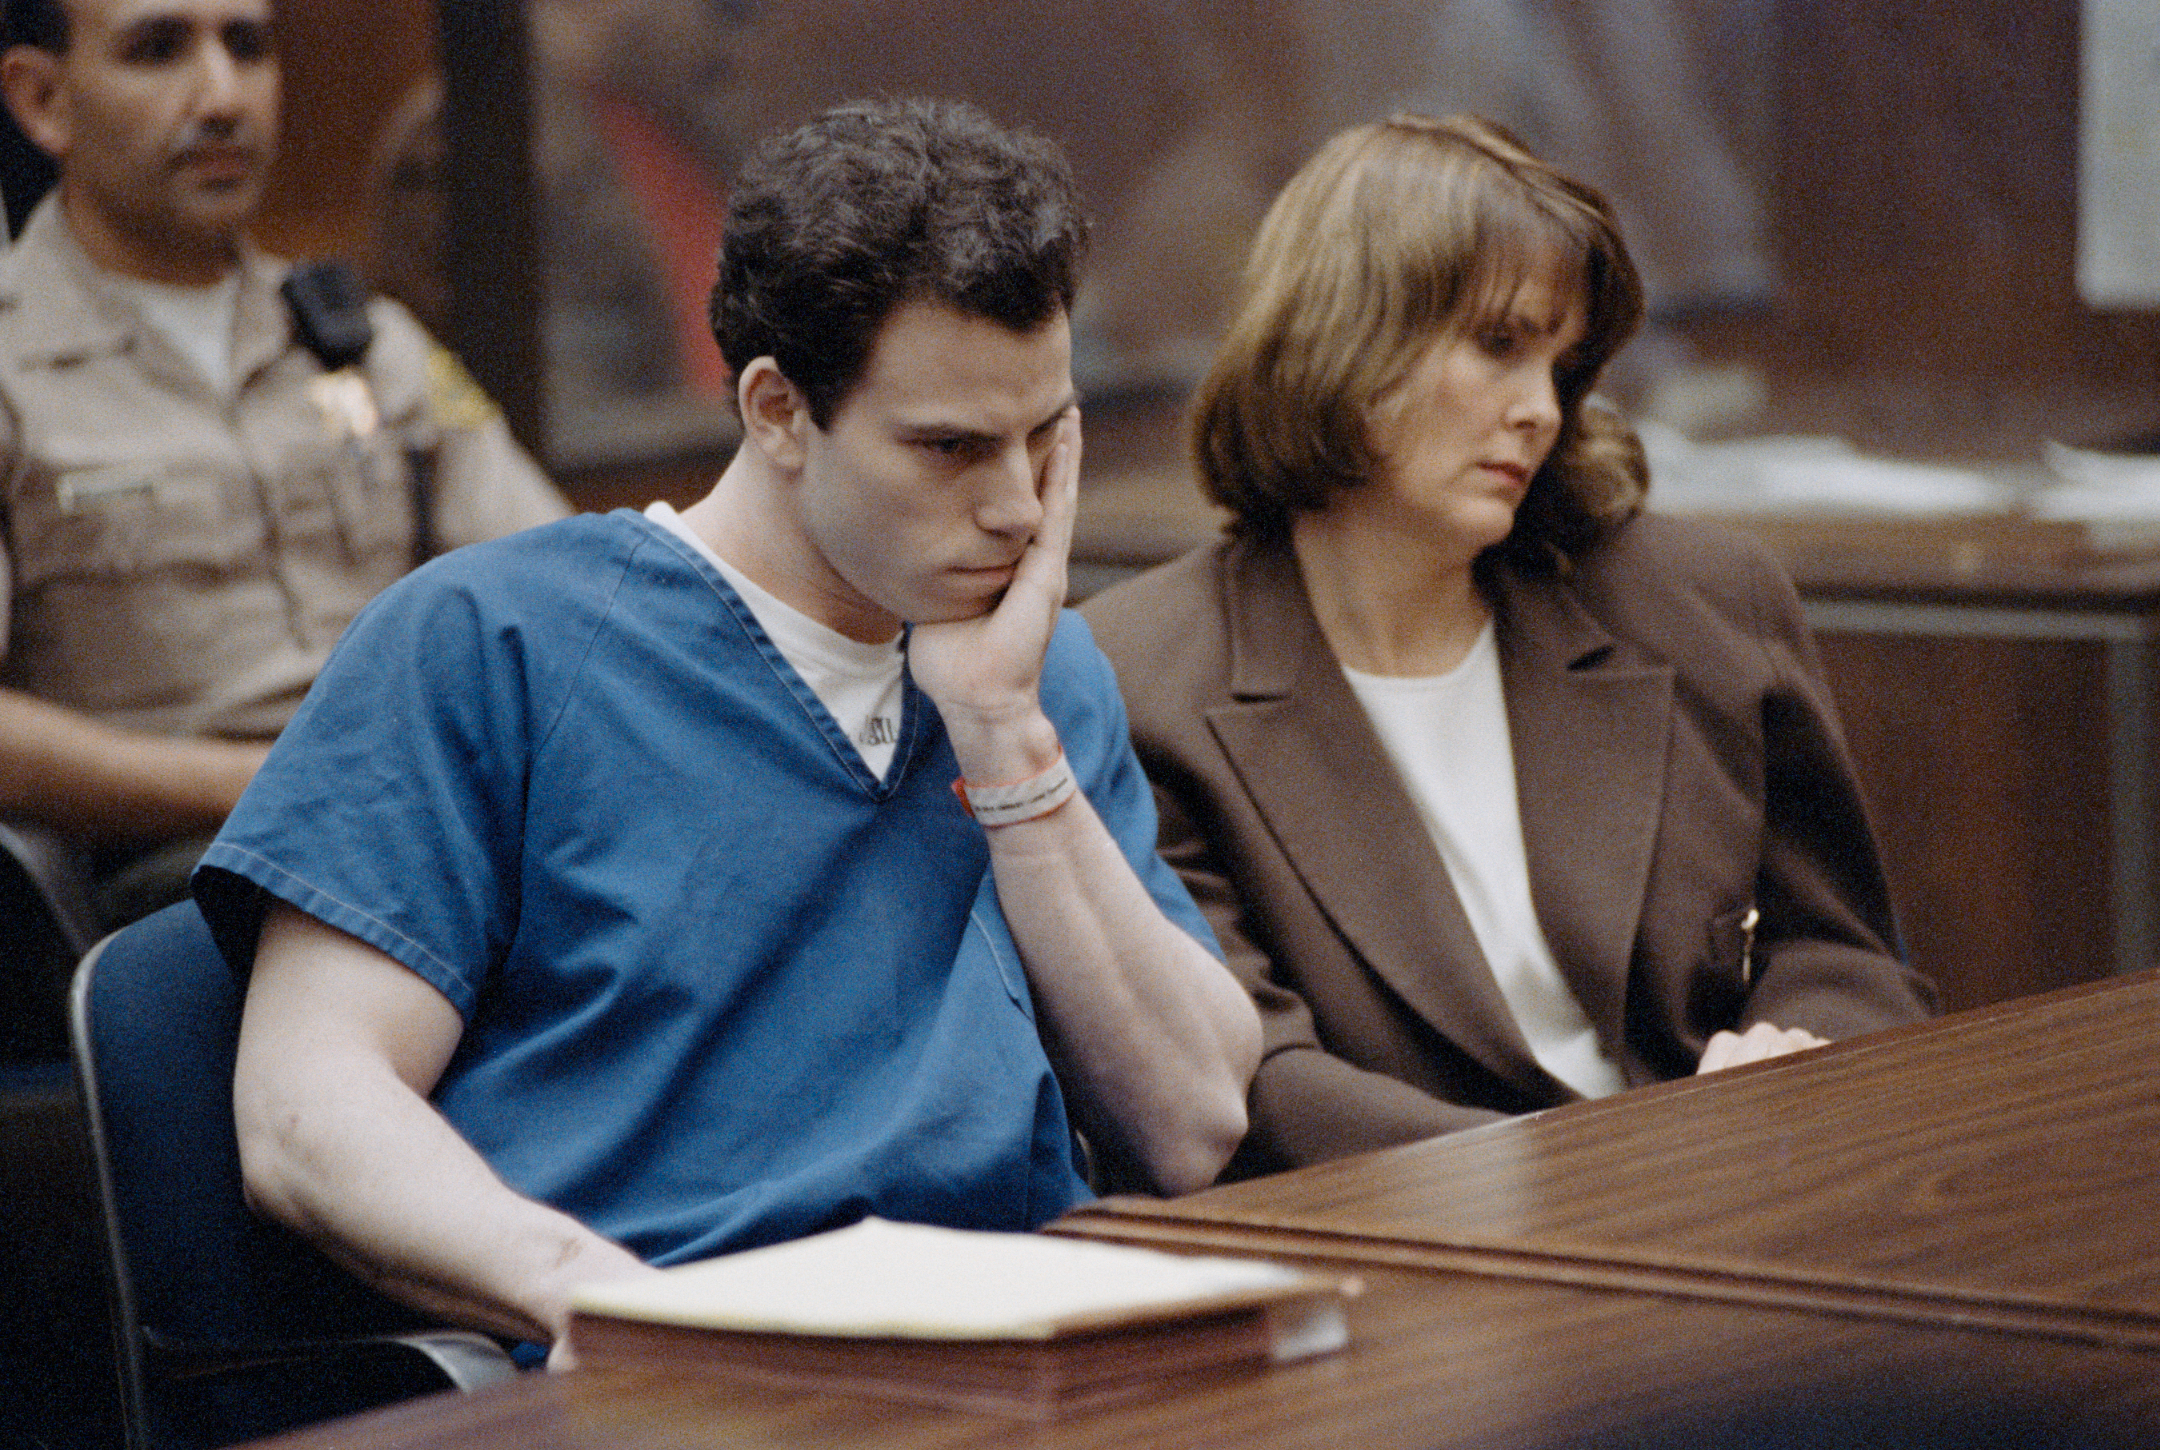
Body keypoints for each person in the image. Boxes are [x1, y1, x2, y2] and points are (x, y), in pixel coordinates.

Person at [203, 97, 1259, 1367]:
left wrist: (1001, 733)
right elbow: (306, 1110)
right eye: (949, 448)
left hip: (1021, 1347)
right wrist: (591, 1293)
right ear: (775, 410)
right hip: (668, 1343)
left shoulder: (1034, 677)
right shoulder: (491, 642)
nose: (1019, 508)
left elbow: (1194, 1123)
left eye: (1046, 438)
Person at [1081, 114, 1935, 1178]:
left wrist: (1791, 1056)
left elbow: (1843, 950)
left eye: (1561, 362)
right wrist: (1603, 1170)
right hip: (1413, 1253)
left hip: (1746, 1192)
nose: (1540, 409)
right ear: (1347, 336)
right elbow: (1260, 1085)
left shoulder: (1704, 603)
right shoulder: (1133, 676)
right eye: (1497, 346)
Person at [0, 0, 569, 928]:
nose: (222, 96)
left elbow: (568, 593)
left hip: (434, 821)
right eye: (159, 49)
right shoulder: (11, 370)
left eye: (248, 45)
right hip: (186, 872)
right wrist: (266, 783)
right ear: (43, 100)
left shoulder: (369, 343)